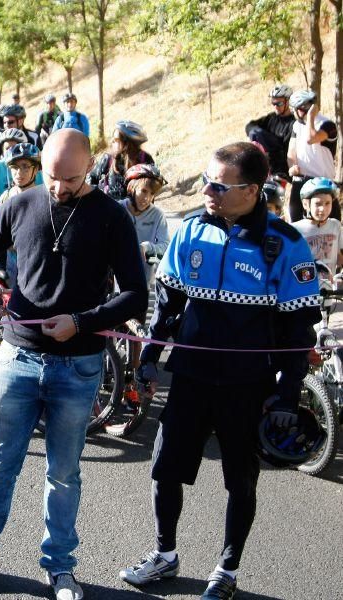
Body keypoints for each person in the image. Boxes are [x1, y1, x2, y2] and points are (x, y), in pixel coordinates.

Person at [0, 129, 148, 600]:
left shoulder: (113, 217)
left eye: (71, 179)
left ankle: (60, 569)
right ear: (41, 164)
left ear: (92, 165)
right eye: (52, 177)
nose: (59, 188)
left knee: (63, 473)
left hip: (77, 366)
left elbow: (135, 294)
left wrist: (81, 321)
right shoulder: (20, 203)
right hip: (15, 355)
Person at [119, 142, 321, 600]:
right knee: (165, 470)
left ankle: (227, 570)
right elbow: (167, 305)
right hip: (189, 377)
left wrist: (287, 395)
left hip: (247, 387)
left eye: (219, 184)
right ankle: (164, 554)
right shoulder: (190, 231)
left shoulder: (286, 245)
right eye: (206, 179)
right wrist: (149, 358)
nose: (207, 189)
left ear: (251, 191)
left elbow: (298, 332)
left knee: (240, 480)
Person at [287, 90, 339, 222]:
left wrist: (310, 116)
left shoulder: (327, 125)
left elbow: (311, 138)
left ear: (302, 109)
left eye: (295, 109)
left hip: (322, 182)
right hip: (301, 180)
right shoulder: (297, 125)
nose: (293, 112)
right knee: (296, 224)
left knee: (332, 225)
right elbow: (291, 151)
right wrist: (292, 166)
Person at [0, 142, 42, 284]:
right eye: (14, 167)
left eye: (25, 167)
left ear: (36, 169)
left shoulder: (43, 197)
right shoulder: (6, 196)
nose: (19, 173)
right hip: (9, 259)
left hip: (34, 261)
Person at [88, 120, 154, 201]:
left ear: (127, 143)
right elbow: (92, 179)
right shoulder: (108, 158)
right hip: (110, 211)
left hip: (136, 211)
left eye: (116, 139)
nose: (112, 141)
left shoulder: (146, 160)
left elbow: (152, 189)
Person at [292, 177, 343, 273]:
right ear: (306, 204)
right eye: (318, 204)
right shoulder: (295, 229)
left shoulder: (335, 225)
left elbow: (338, 255)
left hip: (329, 285)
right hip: (305, 285)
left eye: (327, 203)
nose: (322, 209)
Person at [245, 85, 295, 177]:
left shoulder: (293, 123)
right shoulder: (271, 117)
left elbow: (285, 148)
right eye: (273, 103)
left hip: (282, 169)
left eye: (279, 104)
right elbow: (249, 126)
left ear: (288, 102)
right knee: (255, 132)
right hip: (266, 166)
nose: (275, 107)